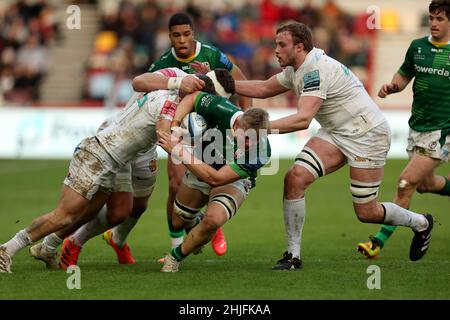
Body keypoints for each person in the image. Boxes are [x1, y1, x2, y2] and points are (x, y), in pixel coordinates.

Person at [234, 22, 434, 270]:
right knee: (295, 178)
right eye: (276, 44)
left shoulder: (315, 70)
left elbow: (302, 119)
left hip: (367, 134)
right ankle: (293, 255)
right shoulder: (298, 67)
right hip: (337, 132)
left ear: (299, 47)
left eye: (281, 44)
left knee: (366, 212)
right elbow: (264, 87)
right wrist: (226, 85)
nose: (275, 50)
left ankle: (421, 223)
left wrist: (260, 130)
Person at [0, 67, 232, 273]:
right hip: (97, 155)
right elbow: (165, 135)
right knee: (64, 215)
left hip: (113, 157)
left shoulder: (170, 92)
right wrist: (192, 156)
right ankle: (7, 250)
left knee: (93, 212)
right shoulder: (170, 106)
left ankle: (48, 249)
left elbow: (148, 91)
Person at [108, 12, 252, 261]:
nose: (182, 40)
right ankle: (177, 242)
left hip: (213, 131)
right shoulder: (164, 63)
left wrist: (247, 117)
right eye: (177, 35)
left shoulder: (212, 55)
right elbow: (143, 88)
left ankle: (211, 224)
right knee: (175, 185)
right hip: (181, 129)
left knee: (213, 178)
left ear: (193, 33)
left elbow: (240, 81)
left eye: (186, 34)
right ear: (170, 37)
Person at [357, 0, 450, 259]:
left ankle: (378, 242)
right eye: (431, 17)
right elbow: (405, 73)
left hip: (442, 131)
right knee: (425, 185)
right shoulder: (418, 47)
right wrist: (393, 86)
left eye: (440, 19)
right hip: (418, 126)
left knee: (405, 184)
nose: (433, 23)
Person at [156, 82, 271, 273]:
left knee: (214, 219)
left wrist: (177, 149)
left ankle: (175, 257)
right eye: (248, 137)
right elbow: (192, 98)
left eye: (257, 138)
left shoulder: (261, 151)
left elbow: (216, 179)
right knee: (179, 221)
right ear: (238, 123)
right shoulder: (221, 109)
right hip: (203, 160)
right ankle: (200, 227)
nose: (250, 143)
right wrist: (175, 126)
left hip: (232, 179)